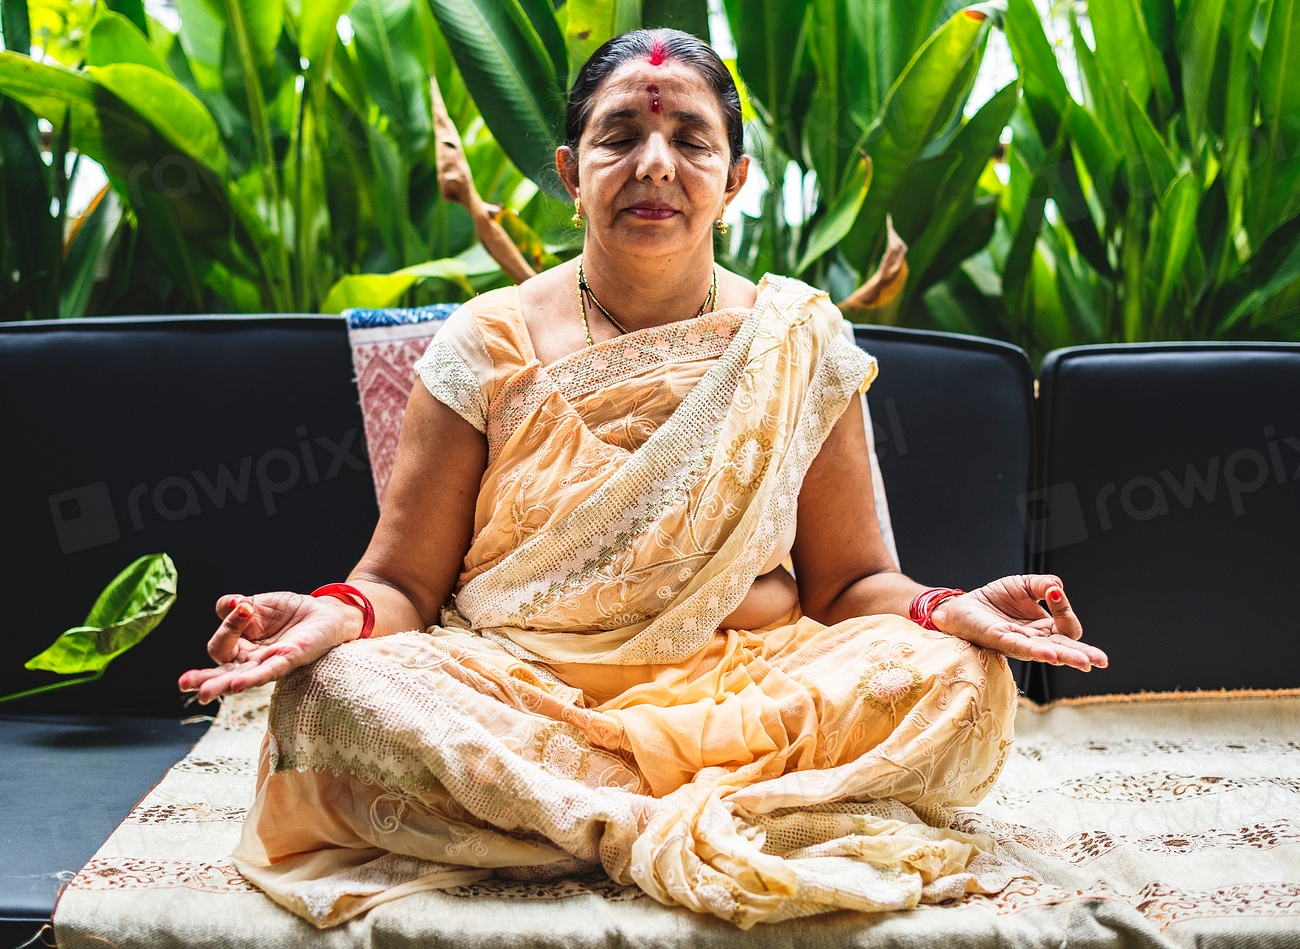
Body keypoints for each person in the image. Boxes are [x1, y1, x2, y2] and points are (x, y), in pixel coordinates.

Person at [179, 28, 1107, 929]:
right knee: (336, 689)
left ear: (734, 178)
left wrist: (948, 608)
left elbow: (851, 582)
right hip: (521, 688)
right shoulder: (488, 340)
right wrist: (334, 613)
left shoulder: (797, 339)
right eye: (619, 137)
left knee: (958, 675)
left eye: (691, 140)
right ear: (570, 171)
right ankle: (721, 810)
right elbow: (402, 584)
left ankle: (561, 815)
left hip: (745, 691)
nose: (654, 164)